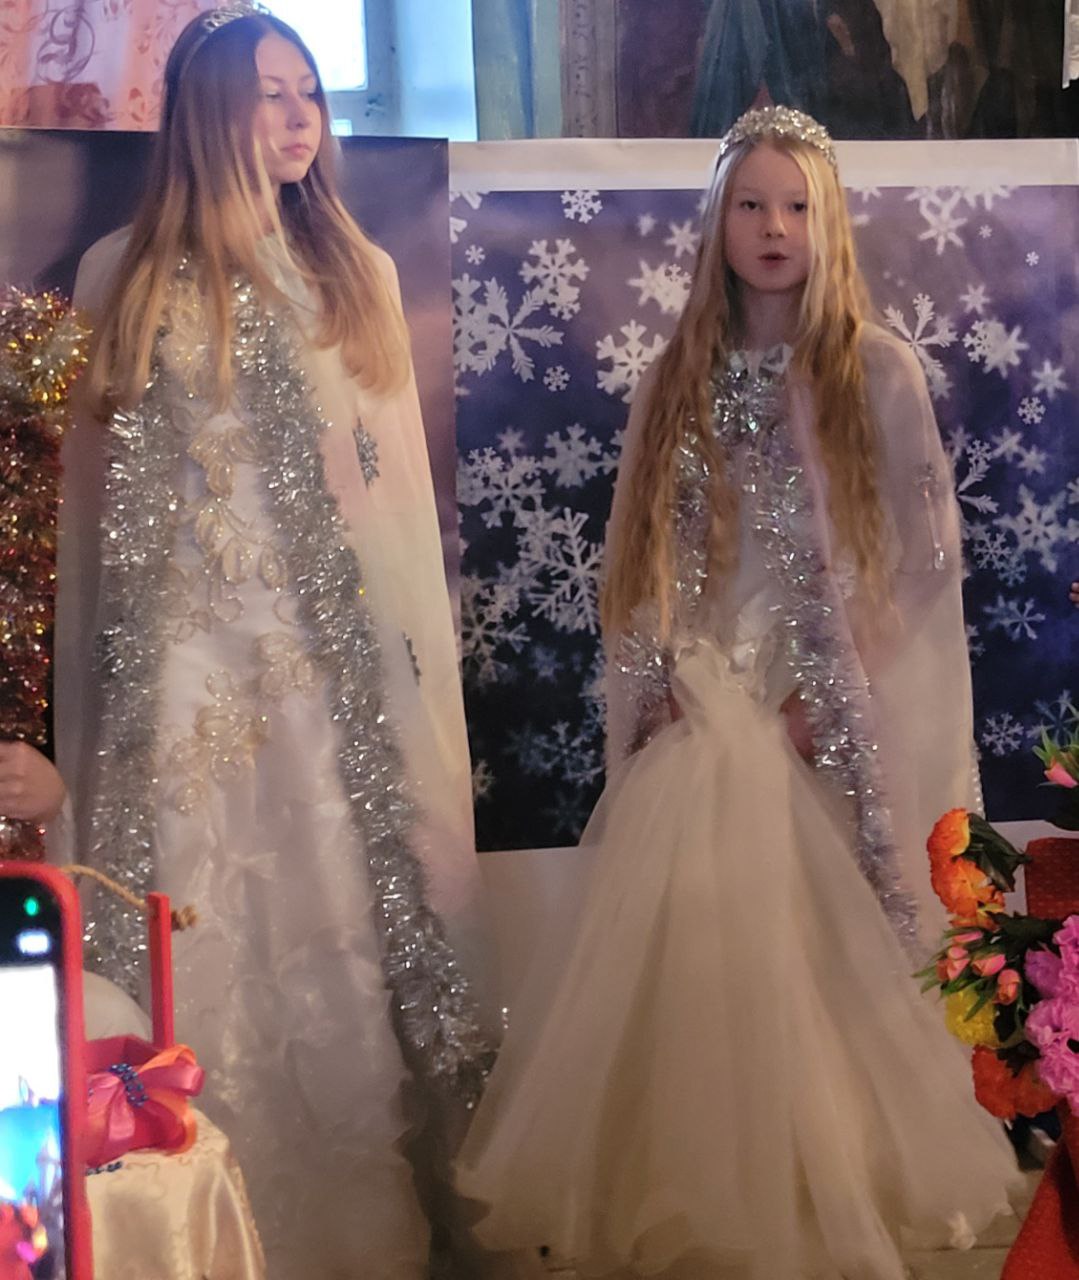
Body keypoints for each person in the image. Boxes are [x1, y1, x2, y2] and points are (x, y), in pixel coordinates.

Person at [455, 106, 1020, 1280]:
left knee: (820, 945)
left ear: (829, 221)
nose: (773, 227)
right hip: (707, 696)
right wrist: (656, 684)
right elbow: (640, 555)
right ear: (716, 221)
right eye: (751, 204)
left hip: (819, 706)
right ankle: (701, 1173)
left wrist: (827, 696)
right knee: (700, 930)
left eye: (796, 206)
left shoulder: (872, 366)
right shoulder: (679, 375)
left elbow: (921, 561)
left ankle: (838, 1167)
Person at [55, 9, 492, 1278]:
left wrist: (403, 694)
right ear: (207, 110)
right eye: (271, 91)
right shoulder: (120, 276)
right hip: (182, 668)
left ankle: (349, 1233)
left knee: (329, 918)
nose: (301, 116)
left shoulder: (348, 269)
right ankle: (191, 1222)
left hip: (315, 671)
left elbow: (392, 511)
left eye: (311, 90)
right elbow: (92, 514)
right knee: (197, 911)